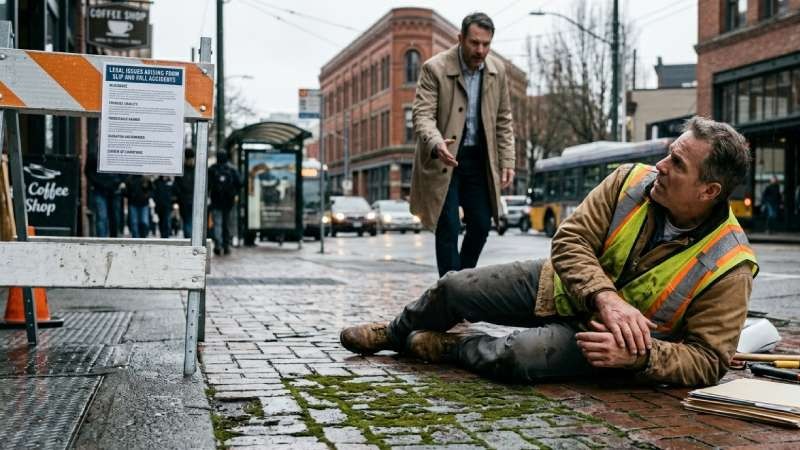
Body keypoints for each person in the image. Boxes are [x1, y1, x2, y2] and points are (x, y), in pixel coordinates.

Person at [341, 116, 758, 387]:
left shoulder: (730, 263)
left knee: (518, 356)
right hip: (555, 285)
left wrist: (641, 356)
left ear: (709, 191)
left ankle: (449, 348)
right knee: (454, 286)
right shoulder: (629, 182)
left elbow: (708, 359)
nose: (662, 165)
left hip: (602, 342)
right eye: (669, 152)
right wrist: (606, 297)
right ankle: (394, 334)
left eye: (678, 163)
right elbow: (570, 240)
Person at [409, 12, 516, 277]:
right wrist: (436, 143)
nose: (481, 50)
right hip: (444, 158)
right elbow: (422, 115)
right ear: (460, 39)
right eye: (474, 43)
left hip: (479, 160)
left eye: (486, 44)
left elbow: (504, 119)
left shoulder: (497, 70)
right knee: (448, 226)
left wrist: (508, 161)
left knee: (481, 224)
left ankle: (461, 288)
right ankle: (451, 292)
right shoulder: (434, 68)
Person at [208, 150, 242, 255]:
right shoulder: (232, 169)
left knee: (217, 223)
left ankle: (218, 244)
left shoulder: (212, 169)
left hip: (216, 201)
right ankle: (226, 245)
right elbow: (240, 183)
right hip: (229, 202)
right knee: (227, 223)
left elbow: (207, 184)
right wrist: (234, 193)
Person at [84, 150, 125, 237]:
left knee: (114, 217)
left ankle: (114, 240)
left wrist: (119, 181)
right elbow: (88, 171)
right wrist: (97, 183)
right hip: (100, 190)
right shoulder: (94, 154)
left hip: (114, 190)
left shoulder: (119, 152)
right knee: (102, 217)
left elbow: (125, 168)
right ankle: (101, 241)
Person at [173, 149, 196, 238]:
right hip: (185, 201)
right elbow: (177, 186)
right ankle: (190, 239)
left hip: (190, 200)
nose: (191, 161)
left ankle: (190, 240)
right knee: (188, 221)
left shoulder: (184, 170)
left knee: (189, 221)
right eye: (190, 159)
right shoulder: (192, 171)